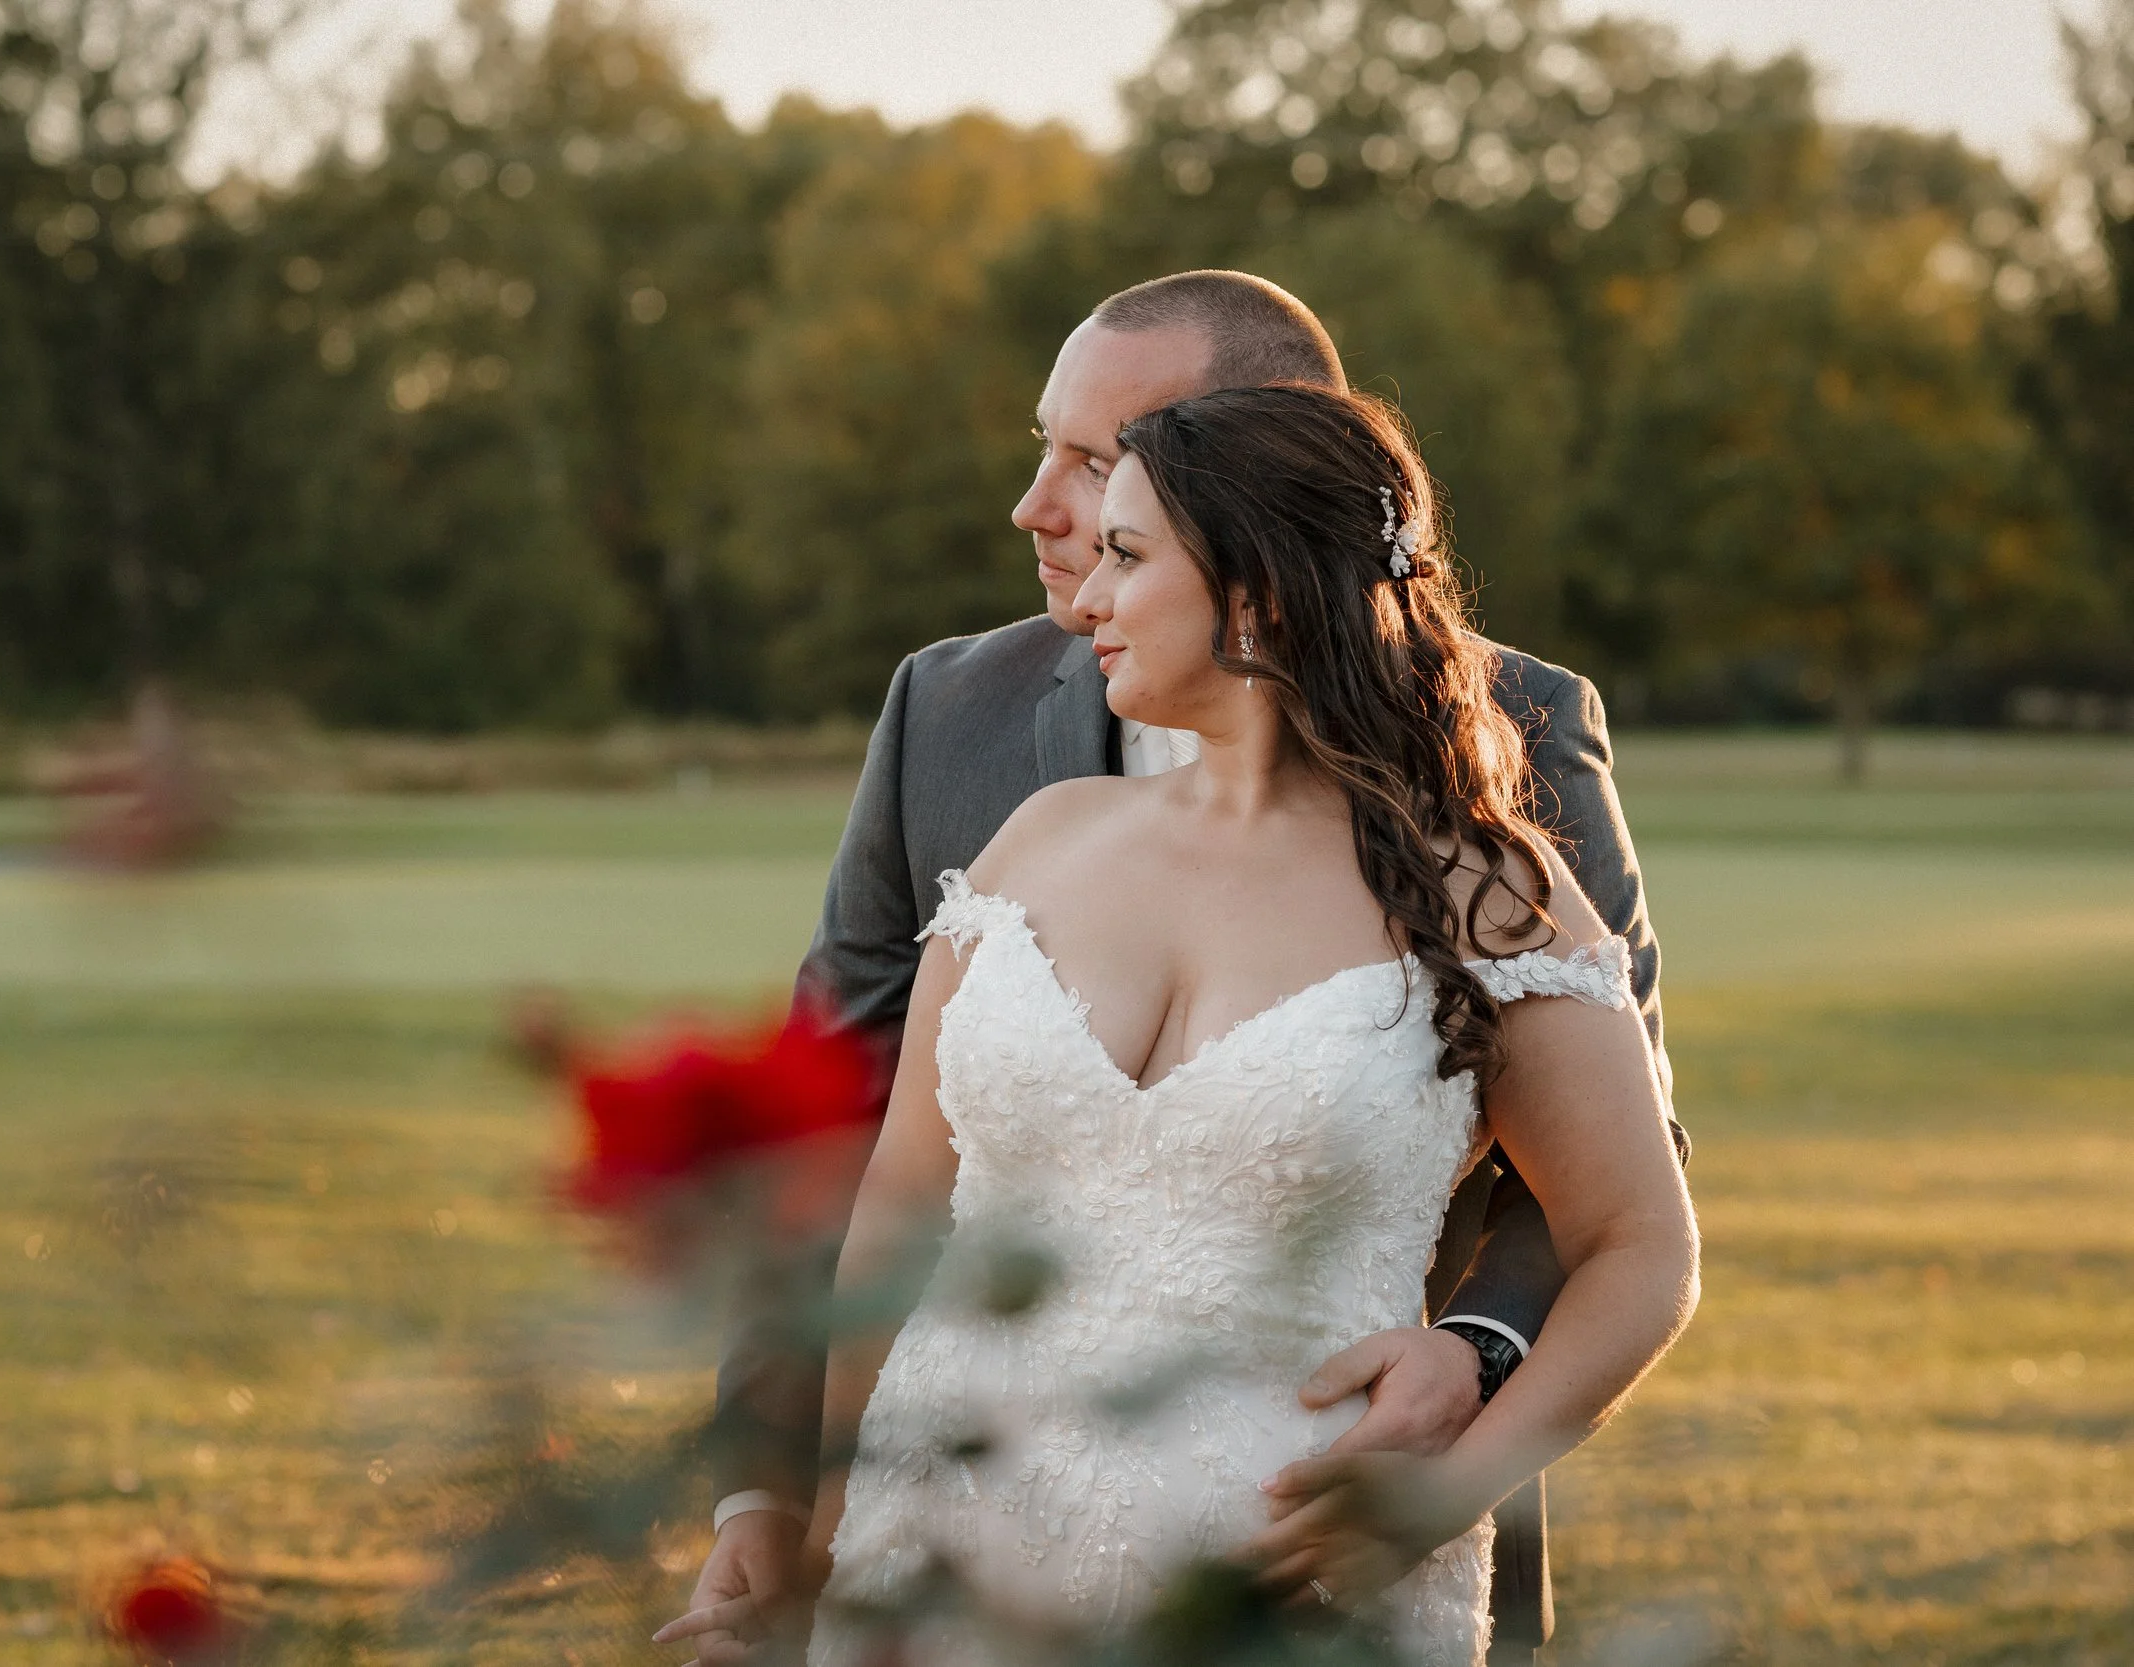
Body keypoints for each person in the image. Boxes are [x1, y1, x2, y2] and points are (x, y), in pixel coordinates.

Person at [657, 272, 1682, 1665]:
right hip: (949, 1550)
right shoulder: (1018, 810)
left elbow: (1635, 1214)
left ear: (1254, 550)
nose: (1051, 526)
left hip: (1294, 1575)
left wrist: (1461, 1439)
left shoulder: (1491, 862)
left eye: (1107, 494)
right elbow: (869, 1184)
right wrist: (802, 1519)